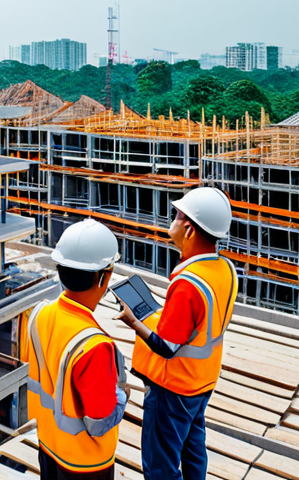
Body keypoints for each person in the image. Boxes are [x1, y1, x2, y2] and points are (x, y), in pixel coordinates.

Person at [116, 187, 238, 480]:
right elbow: (201, 325)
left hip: (174, 388)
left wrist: (134, 322)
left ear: (189, 230)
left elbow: (166, 346)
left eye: (177, 215)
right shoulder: (224, 269)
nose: (172, 219)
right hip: (202, 380)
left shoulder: (187, 285)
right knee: (193, 448)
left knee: (161, 464)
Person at [25, 219, 129, 480]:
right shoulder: (93, 346)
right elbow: (99, 422)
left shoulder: (40, 314)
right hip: (85, 464)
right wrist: (122, 395)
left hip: (49, 447)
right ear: (104, 277)